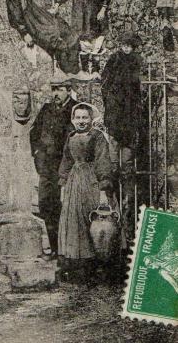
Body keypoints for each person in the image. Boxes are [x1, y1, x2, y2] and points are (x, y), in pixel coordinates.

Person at [57, 103, 114, 280]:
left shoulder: (97, 137)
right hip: (74, 184)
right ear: (73, 119)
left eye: (85, 117)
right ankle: (80, 266)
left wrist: (103, 191)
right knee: (76, 222)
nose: (81, 121)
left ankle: (100, 265)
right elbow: (66, 162)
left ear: (90, 119)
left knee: (94, 220)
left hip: (92, 182)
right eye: (78, 118)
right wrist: (63, 187)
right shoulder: (71, 137)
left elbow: (103, 162)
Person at [101, 31, 142, 240]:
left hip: (129, 122)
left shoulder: (135, 61)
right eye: (124, 45)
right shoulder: (114, 60)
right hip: (115, 120)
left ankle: (127, 213)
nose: (126, 48)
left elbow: (138, 91)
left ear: (133, 47)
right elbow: (104, 81)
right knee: (112, 166)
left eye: (129, 46)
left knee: (127, 167)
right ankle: (111, 206)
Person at [29, 77, 77, 258]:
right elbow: (34, 132)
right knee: (46, 206)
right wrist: (37, 154)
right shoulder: (46, 109)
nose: (56, 93)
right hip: (47, 168)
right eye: (54, 89)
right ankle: (55, 248)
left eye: (60, 89)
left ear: (69, 90)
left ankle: (68, 250)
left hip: (65, 167)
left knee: (67, 208)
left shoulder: (76, 110)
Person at [5, 0, 79, 74]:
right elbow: (15, 14)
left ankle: (75, 71)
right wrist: (24, 33)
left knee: (71, 36)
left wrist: (48, 11)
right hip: (32, 24)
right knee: (58, 43)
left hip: (41, 18)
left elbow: (37, 4)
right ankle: (69, 72)